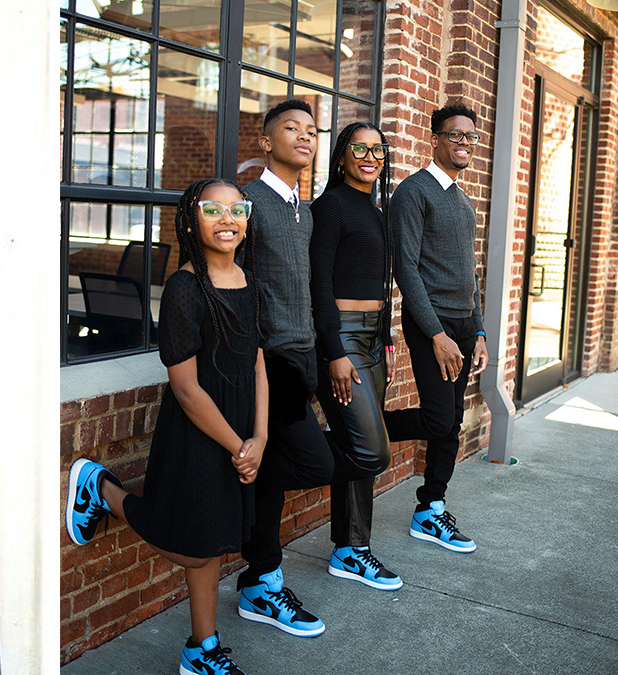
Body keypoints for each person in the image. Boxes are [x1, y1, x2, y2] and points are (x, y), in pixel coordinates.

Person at [66, 178, 267, 675]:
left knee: (216, 541)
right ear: (190, 219)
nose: (227, 219)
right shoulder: (184, 287)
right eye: (212, 209)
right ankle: (104, 491)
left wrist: (259, 437)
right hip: (200, 433)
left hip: (242, 429)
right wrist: (238, 445)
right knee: (190, 547)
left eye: (237, 209)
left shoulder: (250, 281)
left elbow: (259, 364)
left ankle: (202, 647)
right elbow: (186, 388)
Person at [235, 100, 387, 637]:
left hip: (303, 356)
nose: (304, 137)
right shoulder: (249, 202)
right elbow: (231, 280)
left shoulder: (302, 208)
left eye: (310, 130)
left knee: (277, 474)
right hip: (268, 359)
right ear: (265, 142)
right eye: (290, 129)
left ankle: (262, 578)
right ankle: (261, 572)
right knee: (314, 465)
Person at [383, 102, 487, 553]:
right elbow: (405, 269)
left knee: (451, 425)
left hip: (463, 326)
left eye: (470, 137)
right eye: (455, 135)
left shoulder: (463, 201)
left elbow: (472, 275)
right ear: (435, 139)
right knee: (439, 416)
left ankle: (430, 508)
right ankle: (363, 429)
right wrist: (438, 334)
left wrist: (478, 331)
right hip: (433, 324)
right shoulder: (413, 192)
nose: (464, 144)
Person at [308, 122, 402, 591]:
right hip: (342, 338)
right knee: (371, 450)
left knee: (361, 445)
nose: (370, 156)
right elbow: (319, 283)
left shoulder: (377, 209)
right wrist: (333, 352)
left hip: (371, 339)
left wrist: (383, 336)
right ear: (342, 156)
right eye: (359, 148)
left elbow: (378, 280)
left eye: (378, 149)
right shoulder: (330, 207)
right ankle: (289, 451)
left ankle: (351, 549)